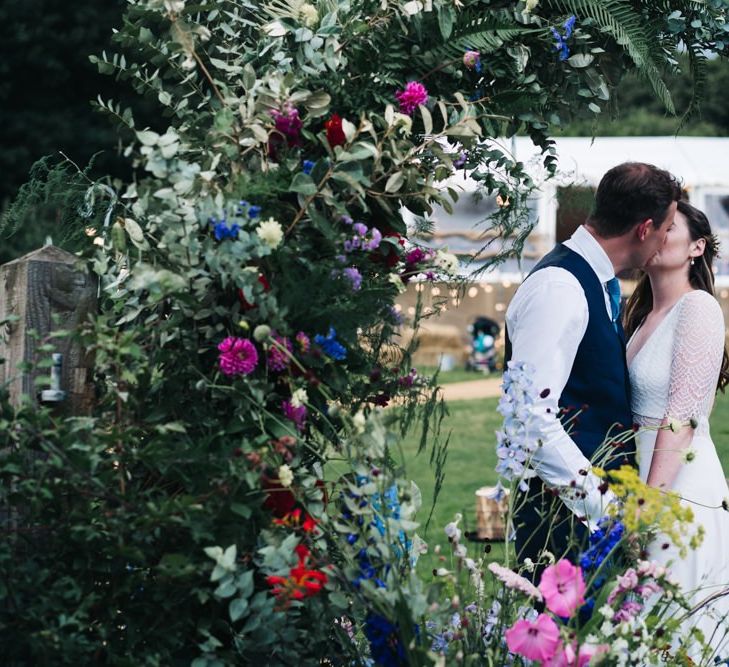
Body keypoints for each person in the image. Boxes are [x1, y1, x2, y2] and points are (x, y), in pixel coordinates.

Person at [503, 162, 681, 570]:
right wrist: (607, 507)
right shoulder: (560, 288)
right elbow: (530, 419)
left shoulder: (598, 282)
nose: (665, 239)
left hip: (589, 519)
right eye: (667, 228)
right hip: (563, 524)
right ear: (644, 228)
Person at [624, 199, 729, 660]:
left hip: (678, 489)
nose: (655, 234)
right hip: (642, 480)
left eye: (669, 228)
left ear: (696, 247)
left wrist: (646, 509)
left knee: (675, 633)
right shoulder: (641, 316)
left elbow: (681, 417)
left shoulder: (699, 308)